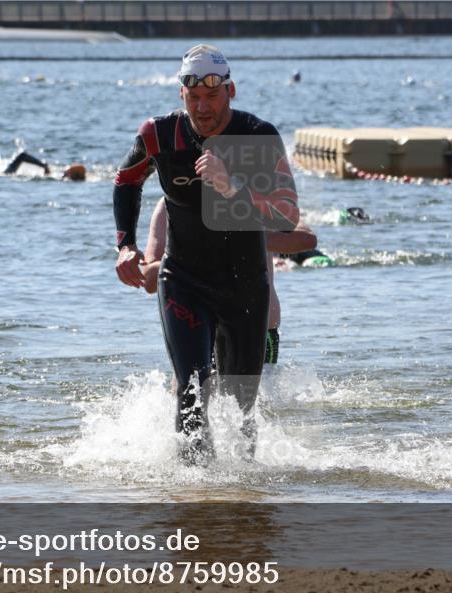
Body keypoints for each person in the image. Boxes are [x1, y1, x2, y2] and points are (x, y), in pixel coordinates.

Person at [113, 44, 300, 465]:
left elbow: (288, 215)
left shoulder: (257, 136)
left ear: (230, 91)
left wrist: (233, 186)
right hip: (184, 280)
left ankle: (242, 499)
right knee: (190, 388)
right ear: (181, 95)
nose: (202, 107)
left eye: (212, 97)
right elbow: (125, 181)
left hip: (245, 287)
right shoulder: (158, 135)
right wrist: (125, 245)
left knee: (241, 408)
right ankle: (195, 492)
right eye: (193, 98)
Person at [140, 198, 317, 365]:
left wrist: (244, 236)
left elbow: (307, 239)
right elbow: (148, 280)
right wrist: (193, 248)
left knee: (254, 396)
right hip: (197, 322)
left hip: (256, 325)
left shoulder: (257, 196)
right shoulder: (169, 202)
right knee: (188, 393)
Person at [1, 150, 86, 180]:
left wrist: (43, 166)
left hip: (5, 176)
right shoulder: (58, 177)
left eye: (70, 168)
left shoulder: (58, 179)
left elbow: (22, 156)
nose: (67, 168)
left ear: (70, 174)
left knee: (22, 156)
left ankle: (43, 165)